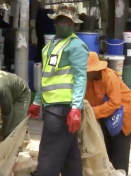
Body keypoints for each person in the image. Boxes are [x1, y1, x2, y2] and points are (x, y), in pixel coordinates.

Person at [28, 4, 89, 176]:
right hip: (53, 107)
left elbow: (80, 78)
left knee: (49, 155)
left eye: (69, 22)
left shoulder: (76, 46)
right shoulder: (50, 47)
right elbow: (47, 77)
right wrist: (37, 101)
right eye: (62, 21)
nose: (65, 25)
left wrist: (76, 107)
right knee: (70, 157)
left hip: (64, 109)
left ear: (74, 25)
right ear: (55, 23)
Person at [85, 52, 131, 175]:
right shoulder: (88, 81)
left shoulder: (109, 76)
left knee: (119, 154)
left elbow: (115, 103)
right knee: (105, 153)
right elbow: (88, 102)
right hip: (104, 115)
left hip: (123, 114)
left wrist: (91, 113)